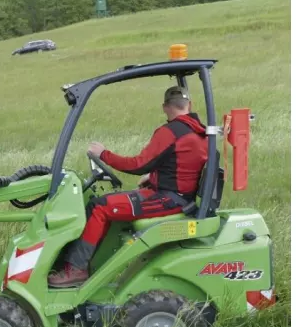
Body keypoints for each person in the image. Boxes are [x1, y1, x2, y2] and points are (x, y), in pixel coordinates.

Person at [48, 85, 209, 288]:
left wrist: (103, 154)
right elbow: (183, 165)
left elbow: (137, 164)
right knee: (102, 204)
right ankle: (82, 264)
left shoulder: (171, 131)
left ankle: (76, 270)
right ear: (189, 105)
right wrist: (153, 177)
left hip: (169, 199)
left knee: (99, 207)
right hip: (176, 195)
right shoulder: (199, 132)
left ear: (165, 107)